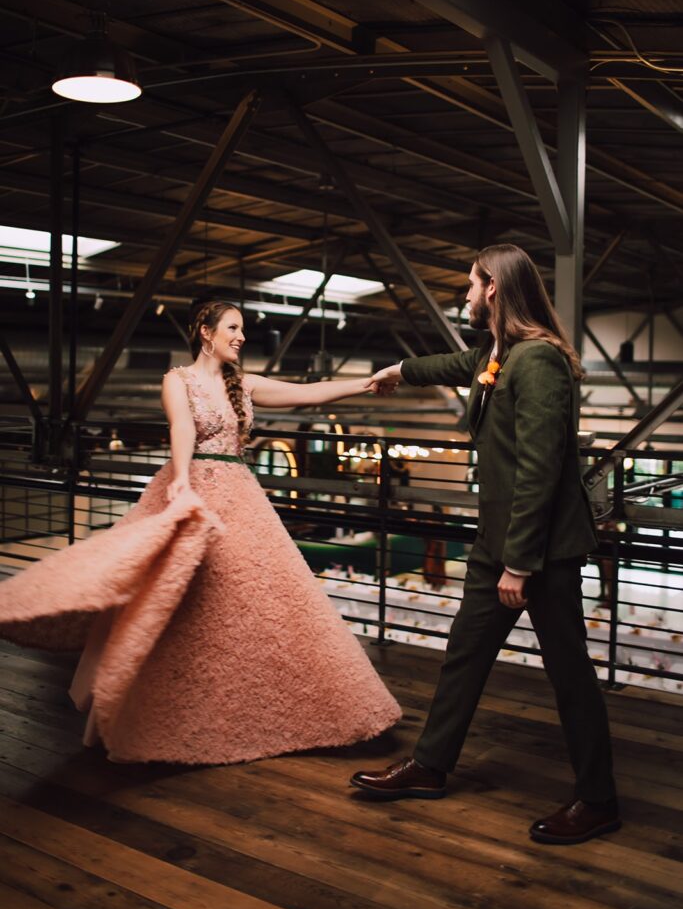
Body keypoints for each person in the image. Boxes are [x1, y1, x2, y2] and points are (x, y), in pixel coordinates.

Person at [0, 298, 400, 764]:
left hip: (243, 501)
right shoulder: (178, 379)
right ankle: (162, 711)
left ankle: (251, 706)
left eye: (244, 329)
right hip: (197, 491)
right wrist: (184, 480)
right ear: (206, 333)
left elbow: (306, 392)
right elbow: (182, 427)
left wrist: (367, 383)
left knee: (254, 605)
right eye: (233, 327)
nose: (242, 336)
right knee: (179, 601)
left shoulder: (243, 384)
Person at [350, 244, 620, 846]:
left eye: (470, 285)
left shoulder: (538, 361)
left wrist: (520, 564)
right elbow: (453, 365)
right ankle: (430, 766)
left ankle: (599, 800)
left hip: (539, 551)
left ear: (494, 288)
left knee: (570, 674)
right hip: (494, 542)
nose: (465, 295)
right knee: (464, 655)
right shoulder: (497, 354)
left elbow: (541, 470)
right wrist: (398, 370)